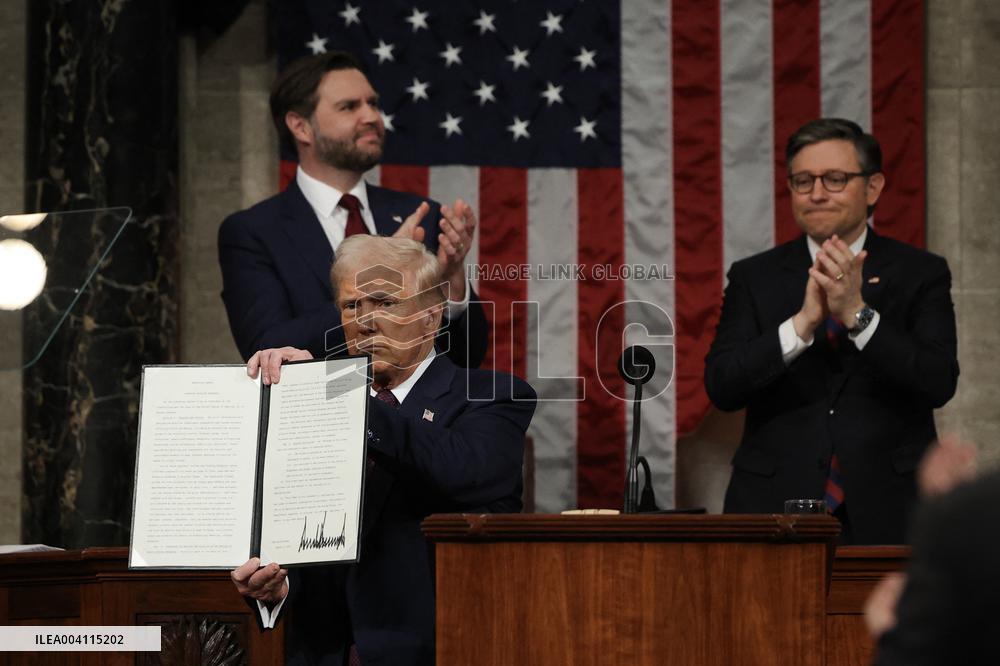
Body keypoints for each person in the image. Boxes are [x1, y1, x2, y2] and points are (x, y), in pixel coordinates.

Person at [230, 235, 536, 665]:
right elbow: (303, 538)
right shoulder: (315, 403)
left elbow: (461, 469)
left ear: (432, 317)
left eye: (384, 303)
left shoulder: (492, 395)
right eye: (351, 306)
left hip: (440, 650)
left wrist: (338, 390)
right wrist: (278, 588)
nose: (364, 322)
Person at [704, 118, 959, 544]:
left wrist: (857, 314)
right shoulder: (755, 277)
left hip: (889, 508)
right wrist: (801, 324)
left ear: (873, 187)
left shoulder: (921, 273)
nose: (817, 193)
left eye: (835, 179)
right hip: (772, 504)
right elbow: (723, 386)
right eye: (803, 181)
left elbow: (937, 381)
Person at [218, 51, 488, 367]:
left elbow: (468, 356)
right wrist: (378, 280)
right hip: (320, 411)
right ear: (300, 127)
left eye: (373, 103)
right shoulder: (253, 232)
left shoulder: (421, 217)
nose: (372, 117)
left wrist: (453, 281)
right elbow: (266, 346)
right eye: (349, 107)